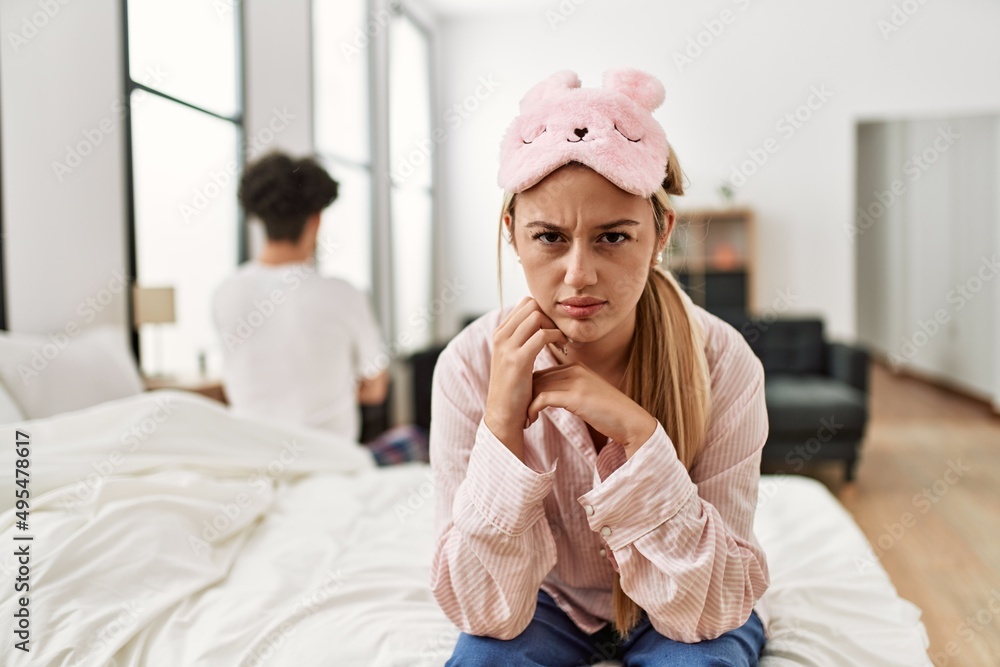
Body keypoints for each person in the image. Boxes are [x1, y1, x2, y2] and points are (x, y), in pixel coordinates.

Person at [429, 69, 770, 665]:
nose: (579, 275)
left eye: (613, 237)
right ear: (512, 234)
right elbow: (483, 609)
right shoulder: (468, 365)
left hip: (676, 596)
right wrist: (502, 433)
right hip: (545, 602)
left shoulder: (722, 361)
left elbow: (713, 604)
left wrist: (639, 437)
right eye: (550, 237)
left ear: (661, 231)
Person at [211, 152, 389, 446]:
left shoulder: (225, 293)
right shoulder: (344, 294)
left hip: (250, 455)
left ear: (259, 218)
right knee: (414, 439)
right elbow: (376, 388)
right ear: (316, 220)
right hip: (331, 459)